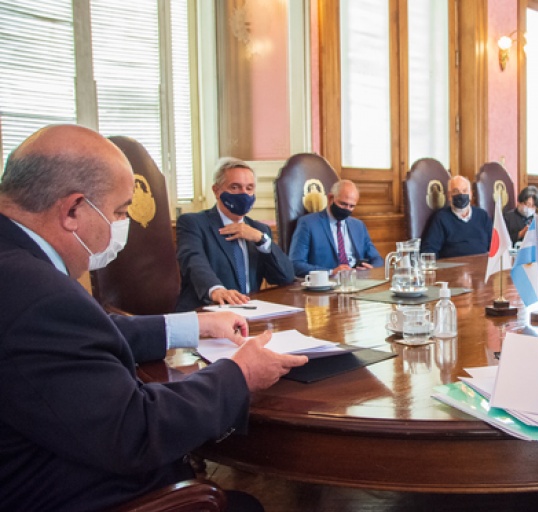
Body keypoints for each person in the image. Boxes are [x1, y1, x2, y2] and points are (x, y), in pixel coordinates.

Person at [0, 125, 308, 511]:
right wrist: (240, 374)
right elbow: (135, 431)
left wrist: (194, 325)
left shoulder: (17, 267)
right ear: (74, 210)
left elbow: (81, 332)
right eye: (119, 211)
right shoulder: (38, 292)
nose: (122, 224)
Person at [176, 158, 294, 311]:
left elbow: (285, 277)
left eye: (249, 188)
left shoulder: (259, 230)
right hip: (205, 310)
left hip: (248, 312)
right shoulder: (194, 223)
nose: (244, 193)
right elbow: (194, 262)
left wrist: (261, 240)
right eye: (235, 187)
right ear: (216, 191)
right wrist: (216, 290)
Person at [288, 179, 382, 277]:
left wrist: (371, 268)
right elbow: (295, 264)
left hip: (358, 280)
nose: (347, 209)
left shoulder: (358, 226)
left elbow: (377, 259)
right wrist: (331, 272)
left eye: (351, 206)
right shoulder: (308, 223)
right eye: (343, 204)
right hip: (328, 282)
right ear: (330, 198)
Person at [420, 175, 492, 258]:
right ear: (449, 196)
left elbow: (495, 245)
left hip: (482, 263)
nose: (461, 194)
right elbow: (429, 250)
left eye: (464, 190)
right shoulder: (441, 218)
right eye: (456, 191)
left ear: (471, 194)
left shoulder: (482, 216)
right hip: (454, 265)